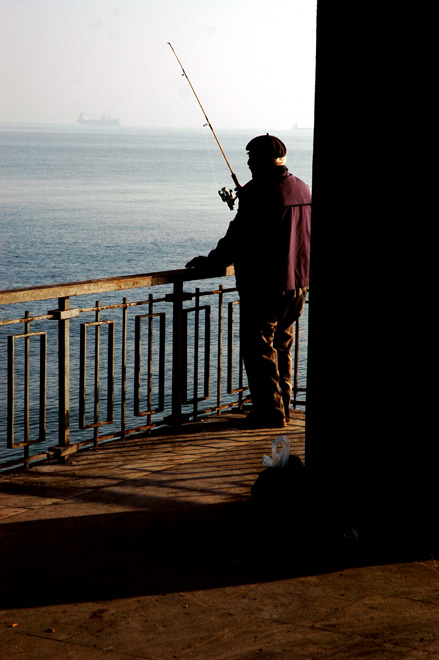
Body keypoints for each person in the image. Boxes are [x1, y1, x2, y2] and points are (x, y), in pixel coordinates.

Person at [186, 134, 311, 428]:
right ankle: (282, 407)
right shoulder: (303, 188)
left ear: (265, 159)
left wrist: (211, 262)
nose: (249, 163)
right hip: (298, 283)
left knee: (259, 349)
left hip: (266, 286)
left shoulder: (258, 192)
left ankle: (270, 413)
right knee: (281, 346)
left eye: (252, 157)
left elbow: (237, 238)